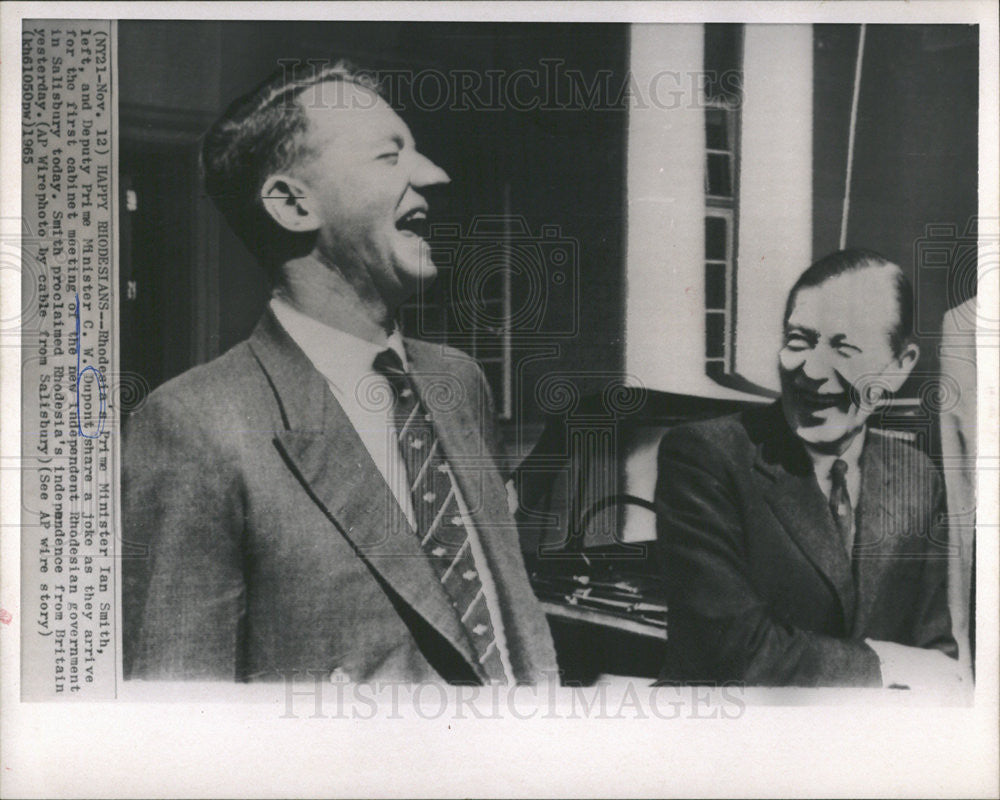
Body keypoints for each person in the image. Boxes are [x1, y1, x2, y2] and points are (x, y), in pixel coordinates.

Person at [122, 61, 557, 684]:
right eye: (389, 156)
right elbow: (184, 729)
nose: (435, 175)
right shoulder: (193, 426)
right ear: (293, 205)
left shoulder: (459, 381)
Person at [655, 250, 964, 688]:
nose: (812, 370)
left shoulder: (917, 476)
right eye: (799, 341)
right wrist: (884, 666)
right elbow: (731, 651)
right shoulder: (706, 456)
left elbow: (935, 654)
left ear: (900, 365)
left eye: (845, 347)